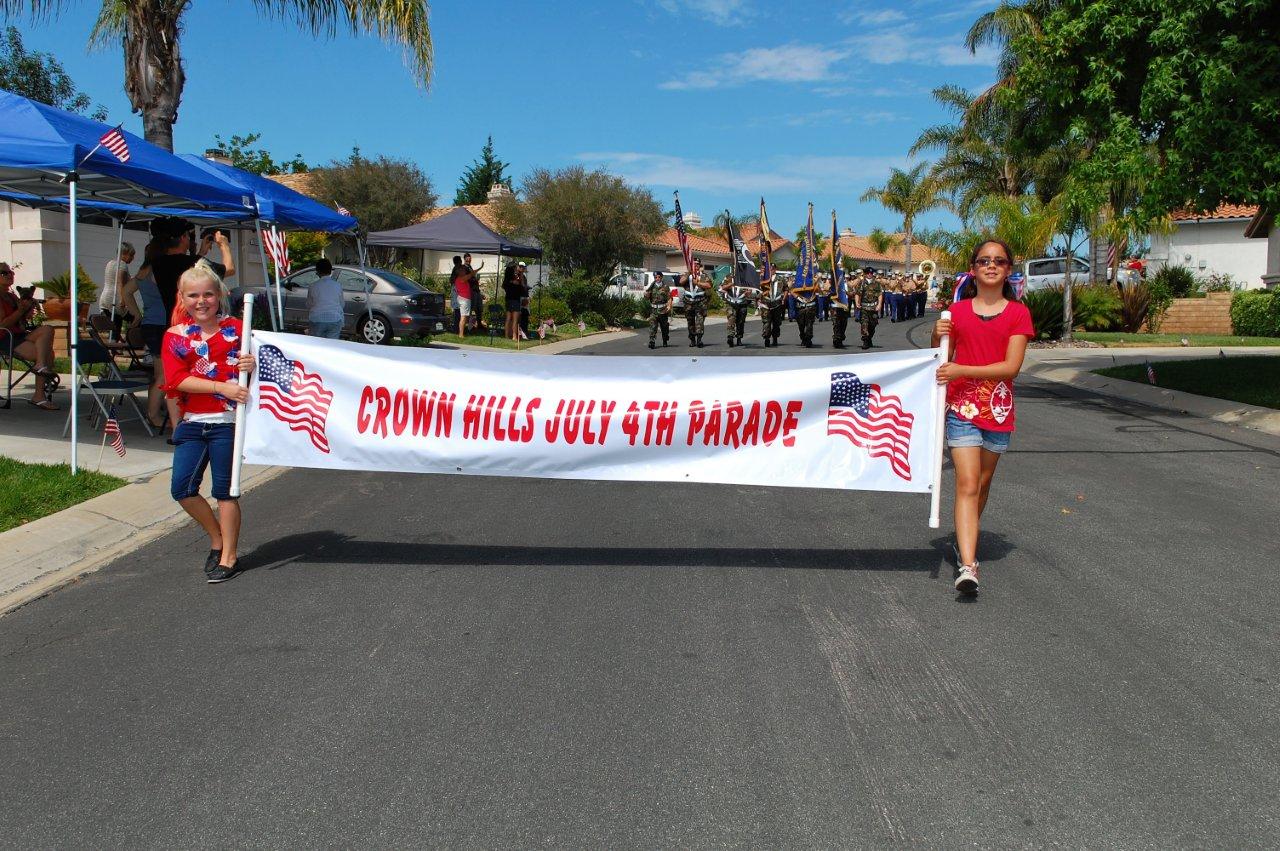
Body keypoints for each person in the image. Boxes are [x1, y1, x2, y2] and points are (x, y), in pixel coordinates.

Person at [932, 239, 1034, 595]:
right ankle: (969, 565)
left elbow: (1011, 367)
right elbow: (939, 359)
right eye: (984, 261)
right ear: (973, 269)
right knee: (968, 483)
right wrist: (937, 335)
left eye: (999, 261)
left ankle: (966, 536)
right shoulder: (956, 312)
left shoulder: (1018, 313)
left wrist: (962, 369)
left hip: (998, 408)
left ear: (1008, 270)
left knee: (984, 484)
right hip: (962, 408)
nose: (991, 265)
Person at [163, 264, 257, 584]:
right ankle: (217, 539)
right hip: (192, 422)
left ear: (219, 296)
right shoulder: (175, 336)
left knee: (225, 492)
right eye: (193, 295)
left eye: (208, 294)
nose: (201, 301)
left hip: (228, 423)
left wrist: (252, 362)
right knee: (182, 488)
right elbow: (176, 379)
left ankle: (229, 556)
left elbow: (263, 369)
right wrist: (220, 387)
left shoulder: (239, 330)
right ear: (182, 298)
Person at [119, 240, 170, 431]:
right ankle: (153, 414)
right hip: (160, 326)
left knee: (159, 374)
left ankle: (154, 410)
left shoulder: (143, 272)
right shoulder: (159, 271)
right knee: (163, 375)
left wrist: (137, 314)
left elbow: (126, 292)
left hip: (150, 324)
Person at [0, 262, 60, 410]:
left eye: (11, 273)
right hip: (5, 337)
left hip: (18, 334)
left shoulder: (12, 296)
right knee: (46, 354)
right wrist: (20, 312)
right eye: (4, 273)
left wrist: (27, 310)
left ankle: (40, 368)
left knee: (47, 329)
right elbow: (3, 325)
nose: (9, 275)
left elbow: (21, 321)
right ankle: (39, 396)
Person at [150, 221, 235, 322]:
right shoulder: (189, 262)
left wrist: (201, 253)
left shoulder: (158, 263)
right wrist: (224, 246)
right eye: (188, 236)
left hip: (173, 322)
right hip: (194, 325)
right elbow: (229, 269)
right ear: (183, 237)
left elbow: (185, 265)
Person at [98, 242, 136, 335]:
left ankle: (115, 344)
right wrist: (123, 299)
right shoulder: (122, 265)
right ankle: (133, 342)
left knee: (116, 325)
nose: (132, 258)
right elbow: (120, 283)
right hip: (115, 299)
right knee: (136, 319)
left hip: (105, 298)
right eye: (131, 255)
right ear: (124, 254)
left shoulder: (110, 263)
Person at [306, 258, 344, 339]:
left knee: (317, 345)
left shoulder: (313, 286)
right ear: (330, 271)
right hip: (335, 319)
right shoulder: (338, 285)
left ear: (317, 272)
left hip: (317, 319)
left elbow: (309, 305)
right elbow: (342, 304)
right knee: (332, 346)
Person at [854, 267, 883, 351]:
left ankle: (869, 337)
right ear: (865, 274)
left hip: (873, 308)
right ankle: (865, 340)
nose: (869, 274)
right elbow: (857, 294)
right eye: (867, 273)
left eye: (871, 273)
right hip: (864, 308)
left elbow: (880, 295)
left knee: (872, 326)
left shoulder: (876, 283)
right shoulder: (861, 283)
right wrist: (857, 303)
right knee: (864, 324)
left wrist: (879, 304)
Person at [681, 269, 711, 347]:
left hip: (700, 302)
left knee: (700, 322)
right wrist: (688, 274)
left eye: (697, 264)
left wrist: (697, 283)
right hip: (688, 302)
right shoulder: (687, 275)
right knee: (690, 322)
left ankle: (699, 340)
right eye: (694, 264)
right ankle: (692, 340)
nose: (696, 266)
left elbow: (708, 285)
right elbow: (681, 282)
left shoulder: (704, 276)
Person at [719, 275, 752, 348]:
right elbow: (722, 288)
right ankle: (730, 337)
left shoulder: (745, 279)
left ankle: (739, 338)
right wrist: (731, 284)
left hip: (742, 304)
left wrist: (748, 292)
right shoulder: (728, 278)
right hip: (731, 303)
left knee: (740, 322)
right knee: (731, 320)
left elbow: (750, 290)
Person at [644, 272, 672, 348]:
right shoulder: (652, 287)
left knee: (664, 327)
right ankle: (652, 341)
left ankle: (665, 340)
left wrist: (669, 306)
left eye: (659, 277)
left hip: (663, 310)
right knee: (653, 326)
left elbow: (669, 298)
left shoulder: (665, 287)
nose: (657, 279)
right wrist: (646, 294)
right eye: (656, 277)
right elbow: (646, 298)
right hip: (654, 310)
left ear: (661, 278)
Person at [502, 261, 529, 341]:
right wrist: (519, 276)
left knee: (508, 318)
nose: (517, 268)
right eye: (516, 267)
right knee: (515, 319)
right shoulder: (515, 278)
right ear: (513, 268)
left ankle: (506, 335)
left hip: (508, 298)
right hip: (515, 299)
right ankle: (514, 336)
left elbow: (504, 286)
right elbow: (523, 286)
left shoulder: (507, 278)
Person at [758, 266, 784, 347]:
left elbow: (786, 289)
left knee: (776, 323)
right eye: (769, 269)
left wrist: (784, 298)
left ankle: (775, 338)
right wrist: (765, 280)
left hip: (777, 304)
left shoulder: (780, 279)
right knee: (766, 322)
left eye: (772, 269)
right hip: (765, 304)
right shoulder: (762, 278)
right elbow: (757, 286)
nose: (771, 271)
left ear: (775, 270)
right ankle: (767, 338)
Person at [791, 271, 819, 347]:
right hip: (800, 308)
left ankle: (808, 339)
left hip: (810, 307)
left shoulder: (813, 282)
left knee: (809, 325)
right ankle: (803, 338)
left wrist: (816, 281)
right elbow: (792, 295)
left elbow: (817, 294)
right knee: (801, 326)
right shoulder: (796, 283)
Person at [830, 270, 851, 348]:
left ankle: (840, 338)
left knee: (843, 324)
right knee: (836, 324)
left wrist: (846, 292)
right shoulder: (833, 284)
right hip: (835, 307)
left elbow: (851, 293)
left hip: (844, 307)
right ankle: (836, 339)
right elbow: (830, 292)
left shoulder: (846, 284)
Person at [450, 255, 470, 337]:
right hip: (460, 292)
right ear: (460, 261)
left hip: (456, 291)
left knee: (458, 312)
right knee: (461, 313)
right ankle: (459, 330)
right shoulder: (461, 268)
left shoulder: (455, 269)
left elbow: (451, 280)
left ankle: (457, 329)